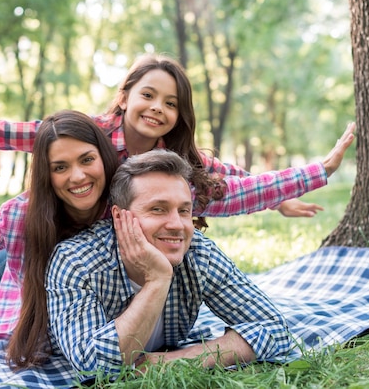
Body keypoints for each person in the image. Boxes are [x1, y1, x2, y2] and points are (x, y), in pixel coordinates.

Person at [0, 108, 353, 368]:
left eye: (87, 161)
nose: (77, 176)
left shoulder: (137, 200)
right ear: (46, 173)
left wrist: (302, 179)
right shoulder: (26, 214)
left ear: (107, 161)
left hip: (83, 298)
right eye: (61, 168)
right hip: (20, 291)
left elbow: (215, 192)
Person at [0, 54, 337, 334]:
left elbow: (228, 179)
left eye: (171, 103)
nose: (157, 108)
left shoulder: (177, 160)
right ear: (125, 95)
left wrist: (277, 197)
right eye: (148, 95)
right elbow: (2, 130)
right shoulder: (91, 136)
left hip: (88, 260)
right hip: (50, 237)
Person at [46, 149, 291, 375]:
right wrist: (157, 280)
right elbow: (93, 365)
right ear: (120, 217)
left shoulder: (197, 253)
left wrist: (173, 361)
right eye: (158, 209)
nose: (177, 225)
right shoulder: (76, 261)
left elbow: (274, 328)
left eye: (184, 211)